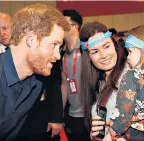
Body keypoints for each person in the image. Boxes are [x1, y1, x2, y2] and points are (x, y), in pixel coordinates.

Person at [0, 3, 70, 141]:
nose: (57, 55)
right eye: (54, 44)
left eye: (60, 47)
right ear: (31, 39)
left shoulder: (36, 82)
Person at [80, 22, 128, 141]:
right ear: (89, 57)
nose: (104, 55)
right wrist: (96, 134)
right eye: (95, 51)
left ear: (114, 45)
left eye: (106, 46)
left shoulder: (129, 77)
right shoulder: (99, 81)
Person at [61, 10, 91, 141]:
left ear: (75, 26)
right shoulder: (60, 53)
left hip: (90, 115)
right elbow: (64, 85)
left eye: (62, 24)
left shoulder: (88, 50)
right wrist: (59, 114)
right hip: (71, 115)